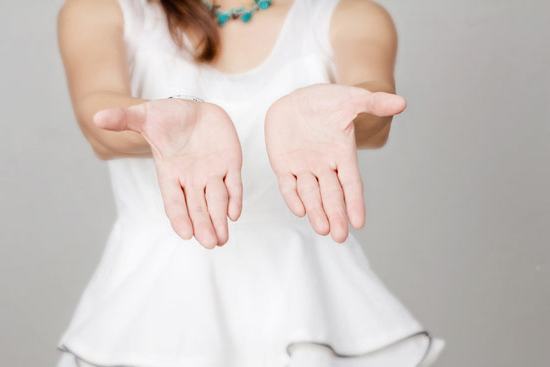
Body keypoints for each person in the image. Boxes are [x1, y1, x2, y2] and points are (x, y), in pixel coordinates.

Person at [55, 0, 444, 366]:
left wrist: (342, 114)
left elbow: (373, 109)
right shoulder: (104, 10)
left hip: (305, 299)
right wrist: (164, 125)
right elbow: (102, 122)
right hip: (160, 297)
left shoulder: (348, 15)